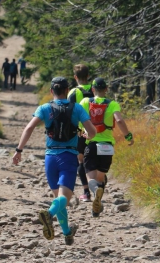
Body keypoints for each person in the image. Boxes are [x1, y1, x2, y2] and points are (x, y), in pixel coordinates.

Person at [12, 77, 96, 245]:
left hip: (50, 158)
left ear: (52, 91)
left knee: (59, 198)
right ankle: (49, 215)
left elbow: (29, 128)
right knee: (65, 197)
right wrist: (86, 135)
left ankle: (67, 233)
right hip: (68, 157)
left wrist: (19, 150)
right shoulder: (77, 108)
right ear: (67, 91)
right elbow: (92, 131)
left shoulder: (44, 108)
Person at [80, 78, 134, 217]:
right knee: (100, 178)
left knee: (91, 179)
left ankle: (95, 194)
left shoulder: (86, 102)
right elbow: (120, 121)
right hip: (107, 146)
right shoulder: (113, 104)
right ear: (106, 89)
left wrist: (81, 132)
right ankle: (96, 209)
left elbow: (77, 119)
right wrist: (128, 136)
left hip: (91, 145)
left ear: (92, 89)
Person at [67, 64, 94, 202]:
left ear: (75, 77)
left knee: (81, 161)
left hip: (80, 132)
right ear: (88, 76)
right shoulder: (95, 89)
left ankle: (86, 192)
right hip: (97, 131)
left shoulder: (73, 92)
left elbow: (69, 113)